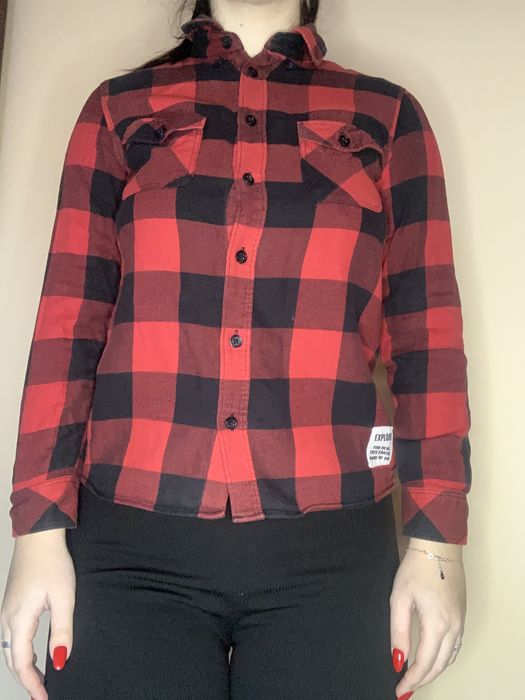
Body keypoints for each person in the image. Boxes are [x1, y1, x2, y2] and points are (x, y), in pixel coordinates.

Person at [1, 0, 472, 698]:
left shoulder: (388, 115)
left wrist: (438, 546)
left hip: (333, 558)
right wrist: (37, 530)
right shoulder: (117, 108)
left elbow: (426, 333)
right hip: (129, 551)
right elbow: (69, 321)